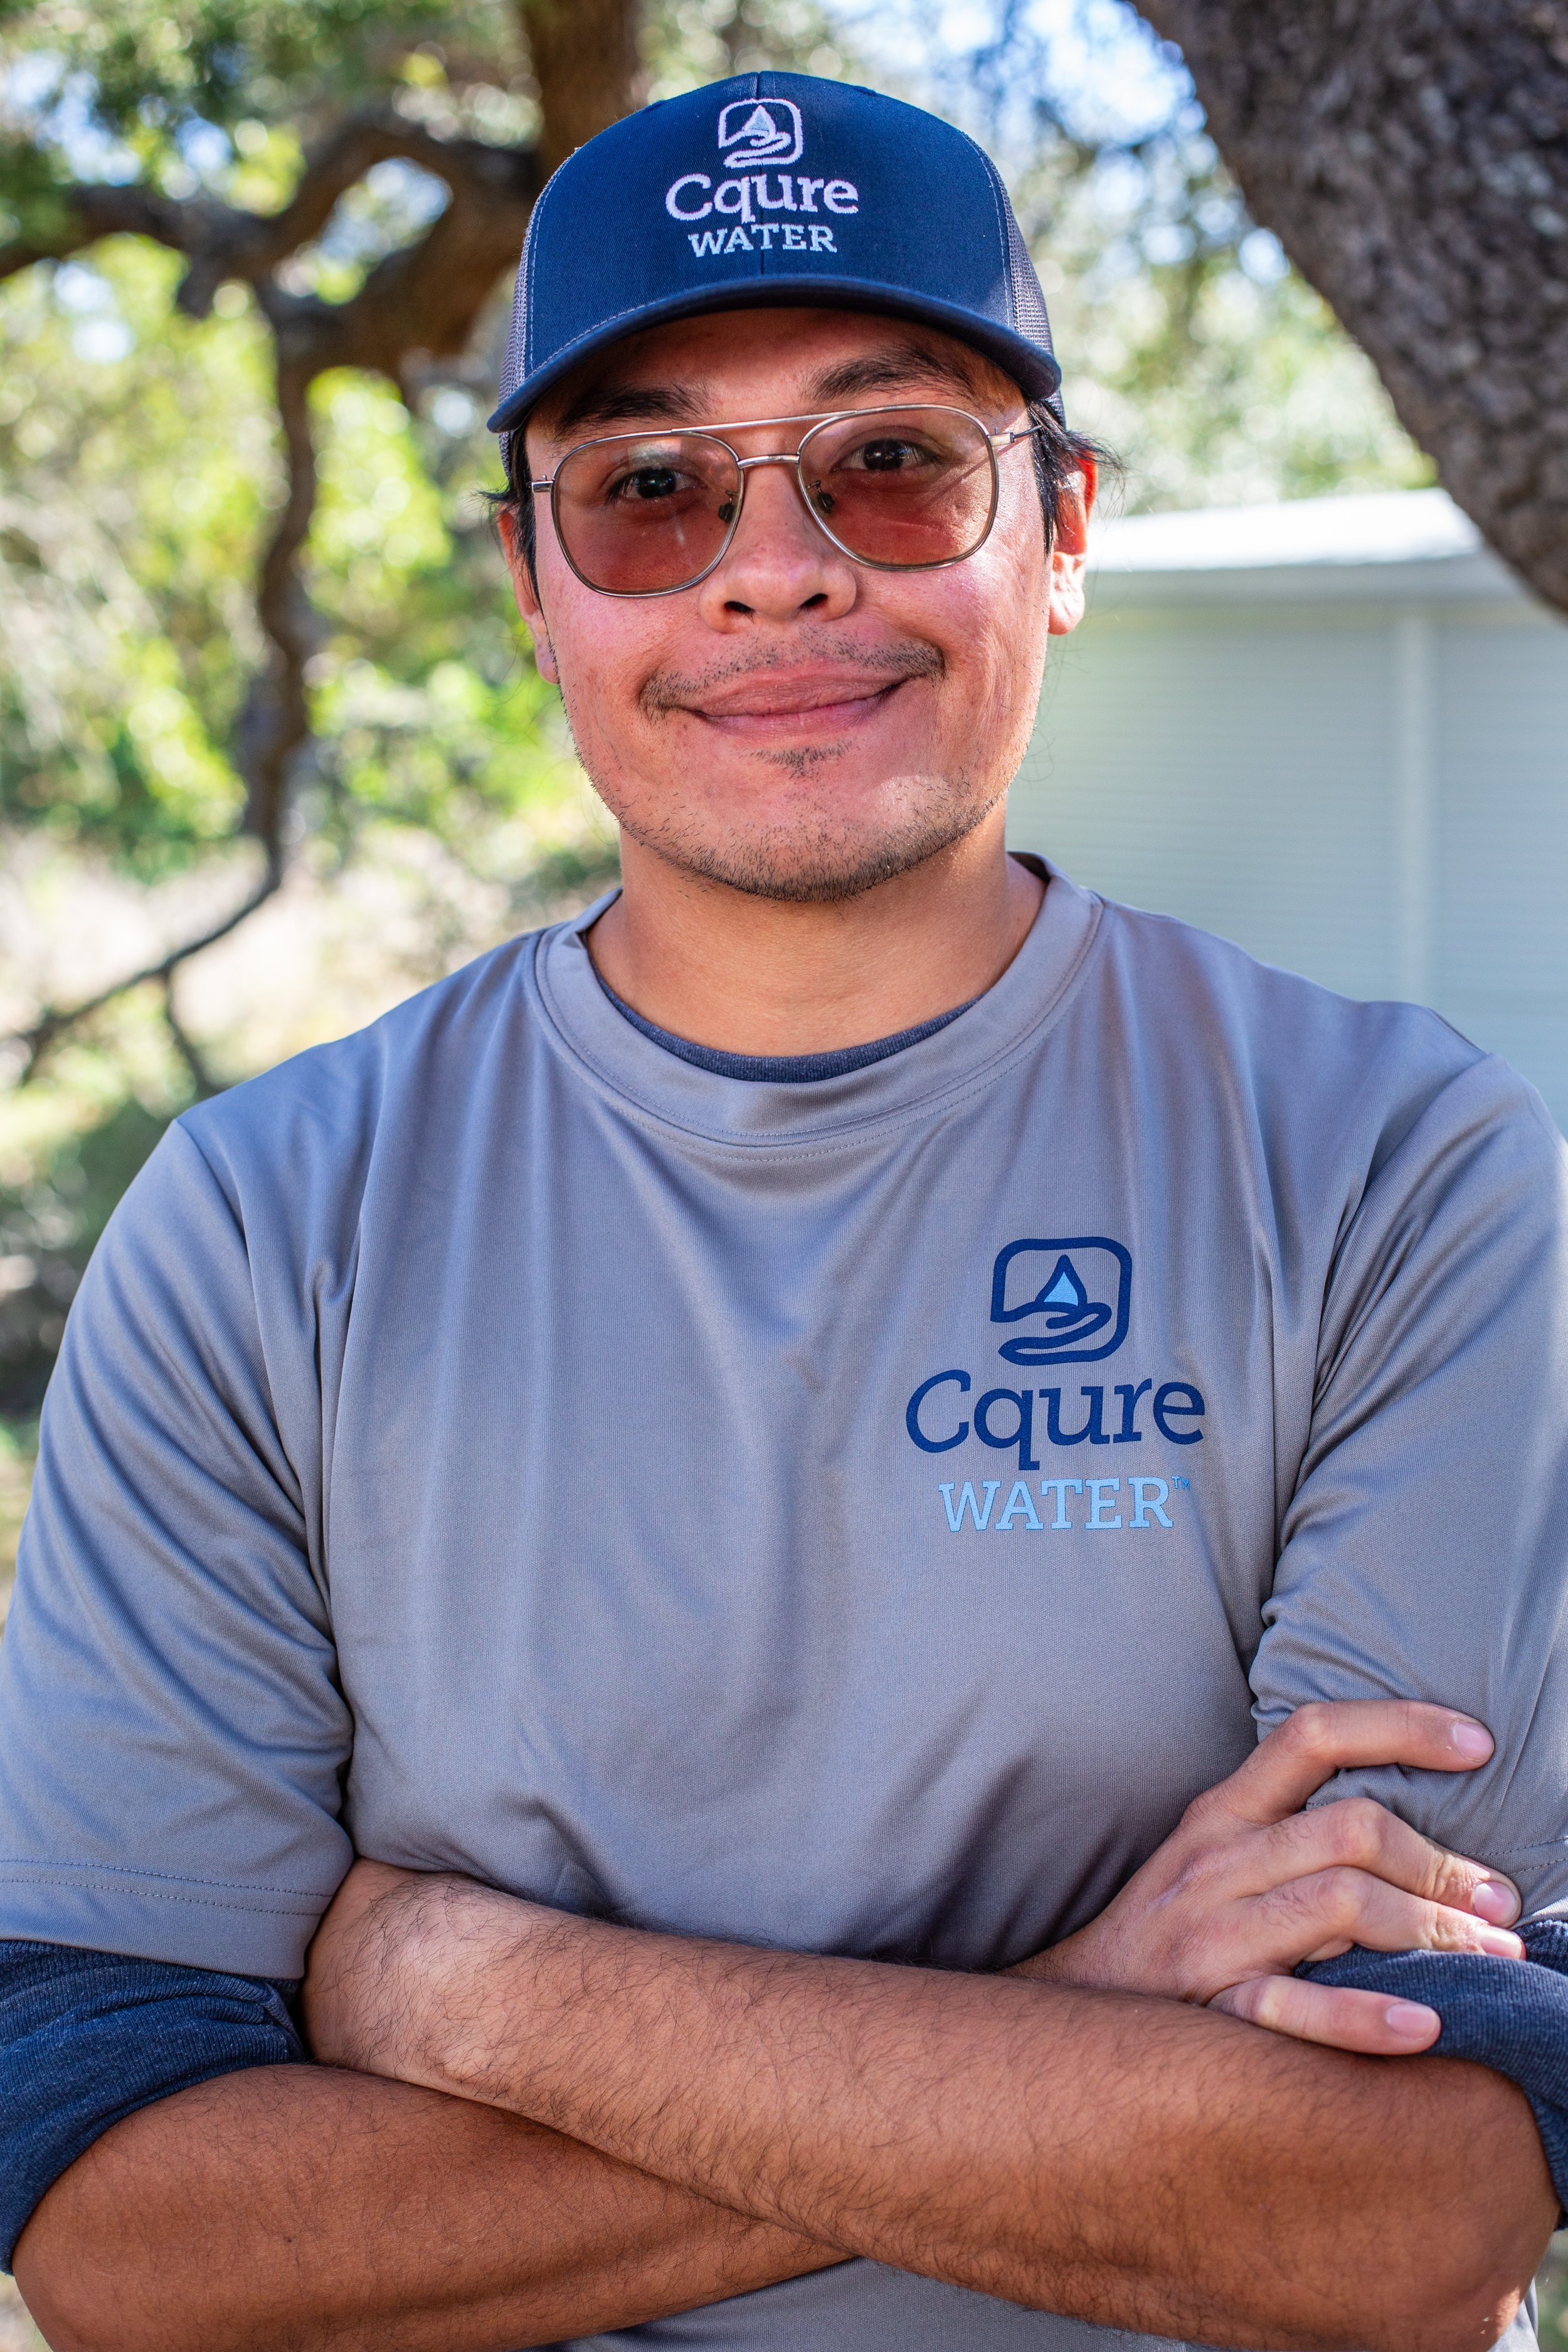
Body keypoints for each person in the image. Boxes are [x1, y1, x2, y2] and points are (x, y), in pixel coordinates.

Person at [3, 67, 1568, 2352]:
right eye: (645, 490)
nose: (775, 563)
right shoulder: (265, 1230)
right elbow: (128, 2235)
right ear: (529, 582)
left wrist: (448, 1976)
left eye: (893, 460)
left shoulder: (1391, 1172)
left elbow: (1397, 2203)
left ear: (1058, 529)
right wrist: (1073, 2007)